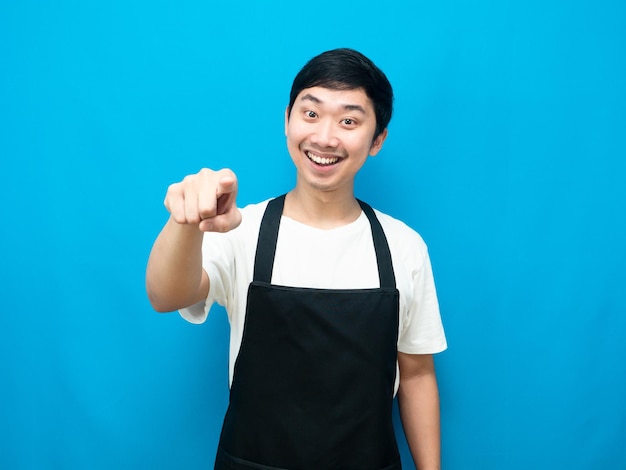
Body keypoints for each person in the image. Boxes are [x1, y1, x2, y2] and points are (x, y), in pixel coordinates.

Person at [146, 48, 447, 470]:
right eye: (311, 114)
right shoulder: (238, 229)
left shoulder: (404, 246)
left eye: (349, 120)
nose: (324, 137)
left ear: (377, 139)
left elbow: (416, 374)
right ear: (287, 119)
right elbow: (165, 295)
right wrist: (186, 220)